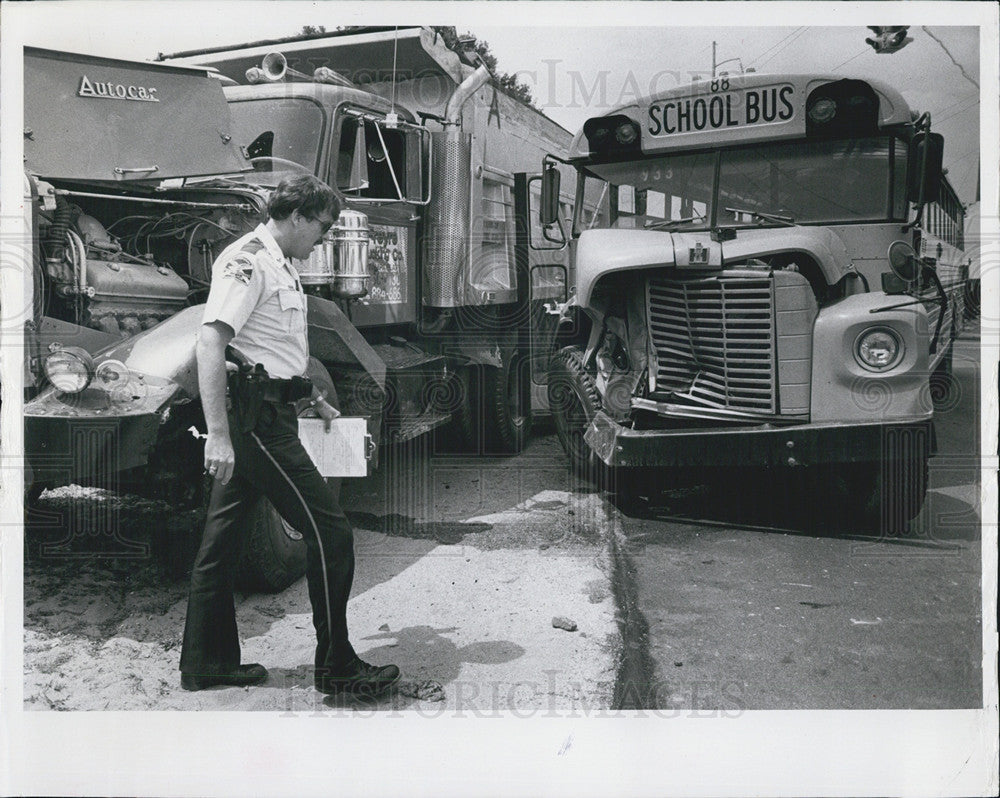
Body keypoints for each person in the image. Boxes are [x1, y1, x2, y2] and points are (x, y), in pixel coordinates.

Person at [179, 174, 399, 698]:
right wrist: (219, 436)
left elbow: (265, 353)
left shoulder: (280, 263)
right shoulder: (248, 260)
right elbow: (211, 344)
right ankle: (338, 666)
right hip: (255, 426)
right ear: (296, 215)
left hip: (267, 410)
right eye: (320, 228)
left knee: (220, 543)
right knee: (332, 535)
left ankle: (205, 663)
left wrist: (311, 394)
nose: (321, 240)